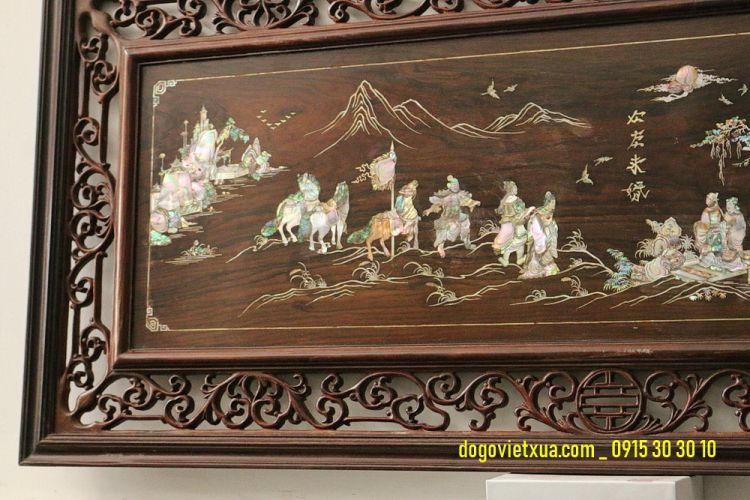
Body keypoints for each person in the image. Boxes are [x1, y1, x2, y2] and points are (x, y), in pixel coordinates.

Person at [423, 176, 480, 258]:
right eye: (454, 185)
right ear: (449, 186)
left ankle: (467, 244)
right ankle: (440, 247)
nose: (456, 187)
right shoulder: (445, 196)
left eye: (457, 185)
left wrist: (474, 202)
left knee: (466, 224)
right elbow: (436, 204)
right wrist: (429, 210)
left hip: (457, 215)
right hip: (447, 217)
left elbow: (467, 201)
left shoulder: (459, 195)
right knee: (444, 230)